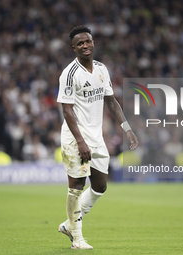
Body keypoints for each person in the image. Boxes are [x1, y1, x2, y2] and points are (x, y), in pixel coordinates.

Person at [56, 25, 138, 250]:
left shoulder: (102, 69)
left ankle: (68, 224)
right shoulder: (70, 74)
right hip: (76, 138)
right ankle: (77, 238)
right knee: (77, 185)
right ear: (73, 48)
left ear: (93, 43)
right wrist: (80, 141)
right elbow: (67, 110)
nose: (85, 45)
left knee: (100, 186)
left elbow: (111, 101)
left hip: (97, 137)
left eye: (88, 41)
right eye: (80, 43)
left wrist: (127, 128)